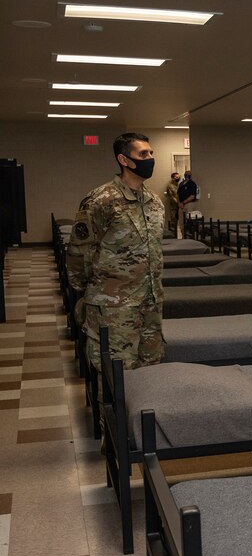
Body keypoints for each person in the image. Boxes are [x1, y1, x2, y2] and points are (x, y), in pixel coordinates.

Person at [67, 132, 165, 382]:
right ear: (124, 159)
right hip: (114, 307)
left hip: (150, 303)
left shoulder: (154, 202)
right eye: (143, 154)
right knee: (115, 376)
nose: (150, 158)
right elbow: (80, 253)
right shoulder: (101, 200)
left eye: (151, 153)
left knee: (151, 370)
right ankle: (110, 423)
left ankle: (144, 421)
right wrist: (93, 292)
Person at [163, 172, 181, 237]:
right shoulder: (170, 186)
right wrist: (178, 203)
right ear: (173, 178)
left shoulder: (179, 185)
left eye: (179, 177)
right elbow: (171, 197)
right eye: (176, 177)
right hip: (174, 206)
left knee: (181, 221)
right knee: (174, 221)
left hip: (180, 206)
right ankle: (174, 237)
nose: (178, 178)